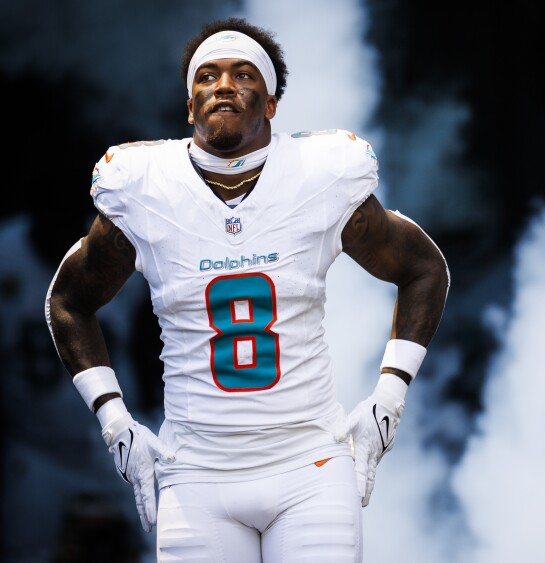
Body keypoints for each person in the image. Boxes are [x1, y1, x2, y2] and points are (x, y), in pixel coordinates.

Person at [44, 17, 449, 562]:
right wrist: (114, 419)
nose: (224, 86)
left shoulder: (321, 174)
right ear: (190, 106)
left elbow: (424, 269)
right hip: (196, 471)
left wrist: (391, 396)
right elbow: (68, 301)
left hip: (309, 463)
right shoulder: (143, 186)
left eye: (243, 74)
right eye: (207, 76)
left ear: (272, 102)